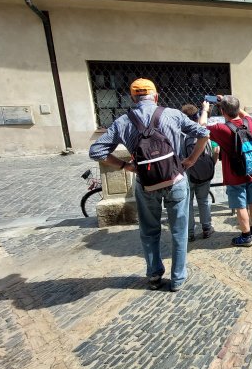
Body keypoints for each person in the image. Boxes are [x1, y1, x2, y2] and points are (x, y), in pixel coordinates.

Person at [89, 79, 210, 292]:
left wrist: (125, 166)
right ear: (155, 96)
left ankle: (154, 276)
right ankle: (178, 278)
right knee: (178, 231)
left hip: (146, 184)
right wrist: (190, 160)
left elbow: (96, 151)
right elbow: (203, 133)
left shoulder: (123, 121)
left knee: (149, 231)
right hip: (175, 179)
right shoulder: (173, 114)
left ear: (133, 98)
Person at [200, 95, 252, 247]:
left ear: (222, 111)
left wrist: (205, 110)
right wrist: (230, 103)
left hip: (235, 174)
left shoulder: (221, 128)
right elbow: (245, 114)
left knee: (240, 205)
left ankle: (246, 236)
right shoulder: (248, 123)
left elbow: (201, 127)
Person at [181, 103, 219, 242]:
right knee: (203, 200)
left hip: (187, 174)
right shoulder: (203, 131)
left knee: (188, 203)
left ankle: (190, 232)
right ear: (196, 117)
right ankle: (207, 228)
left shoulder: (180, 134)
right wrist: (210, 165)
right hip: (204, 173)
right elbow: (216, 150)